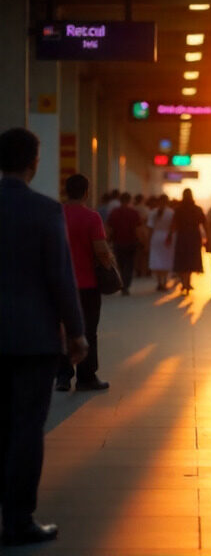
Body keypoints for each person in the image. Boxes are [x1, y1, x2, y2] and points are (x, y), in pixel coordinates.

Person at [0, 128, 88, 546]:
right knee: (26, 428)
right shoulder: (44, 211)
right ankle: (18, 520)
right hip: (33, 339)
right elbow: (60, 276)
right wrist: (77, 333)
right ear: (34, 163)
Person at [57, 174, 113, 392]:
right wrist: (108, 265)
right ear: (86, 193)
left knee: (61, 329)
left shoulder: (55, 214)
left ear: (66, 191)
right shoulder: (92, 217)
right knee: (88, 330)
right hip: (87, 284)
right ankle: (86, 377)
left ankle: (62, 377)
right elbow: (101, 250)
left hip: (60, 283)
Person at [168, 188, 206, 294]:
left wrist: (170, 235)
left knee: (182, 260)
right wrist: (208, 238)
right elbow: (204, 224)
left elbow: (174, 224)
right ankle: (187, 283)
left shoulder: (178, 209)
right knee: (191, 260)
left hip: (182, 237)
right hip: (194, 237)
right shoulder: (197, 209)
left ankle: (184, 283)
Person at [106, 192, 141, 295]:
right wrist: (140, 241)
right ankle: (126, 285)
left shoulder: (114, 212)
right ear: (129, 200)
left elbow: (109, 228)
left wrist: (107, 240)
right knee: (129, 265)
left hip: (118, 242)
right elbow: (137, 229)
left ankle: (121, 284)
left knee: (120, 265)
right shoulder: (134, 213)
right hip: (131, 242)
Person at [148, 194, 176, 290]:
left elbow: (150, 228)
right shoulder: (171, 212)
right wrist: (170, 236)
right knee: (166, 260)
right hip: (167, 238)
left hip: (156, 237)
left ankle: (159, 282)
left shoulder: (153, 212)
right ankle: (164, 281)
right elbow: (173, 227)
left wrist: (148, 240)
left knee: (157, 260)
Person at [133, 194, 151, 278]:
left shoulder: (133, 209)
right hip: (145, 232)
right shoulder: (147, 209)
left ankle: (138, 270)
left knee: (138, 253)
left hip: (135, 232)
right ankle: (146, 270)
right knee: (146, 253)